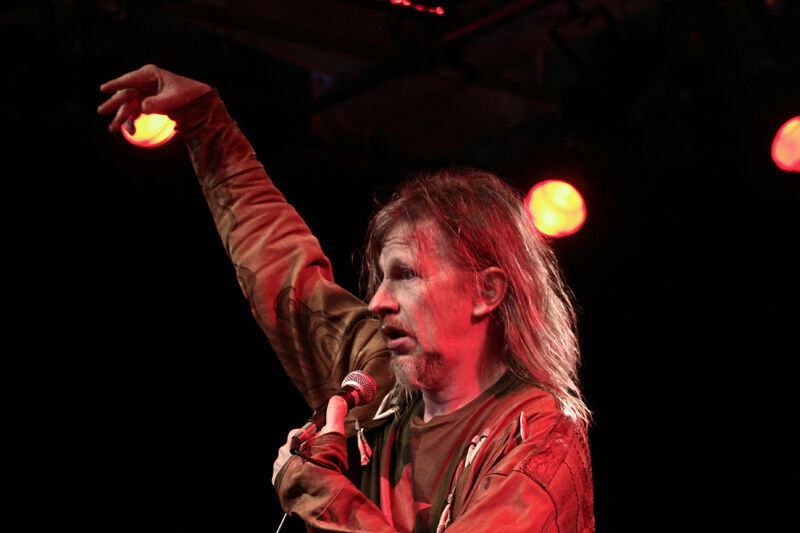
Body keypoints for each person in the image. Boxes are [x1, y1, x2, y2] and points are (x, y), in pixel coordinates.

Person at [98, 64, 595, 532]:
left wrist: (321, 494)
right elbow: (284, 271)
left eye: (406, 274)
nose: (377, 302)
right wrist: (208, 125)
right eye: (380, 277)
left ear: (486, 292)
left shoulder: (538, 435)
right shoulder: (380, 377)